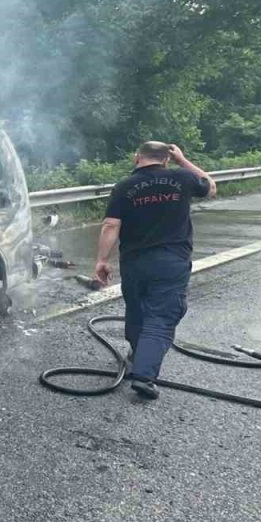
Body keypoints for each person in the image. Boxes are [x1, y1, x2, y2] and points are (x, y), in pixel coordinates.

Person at [93, 141, 217, 400]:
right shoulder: (182, 177)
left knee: (137, 311)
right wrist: (183, 161)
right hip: (171, 261)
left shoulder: (124, 186)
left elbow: (111, 225)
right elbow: (210, 187)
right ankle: (144, 376)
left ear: (137, 157)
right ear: (166, 159)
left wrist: (102, 261)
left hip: (134, 261)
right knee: (160, 317)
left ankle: (138, 356)